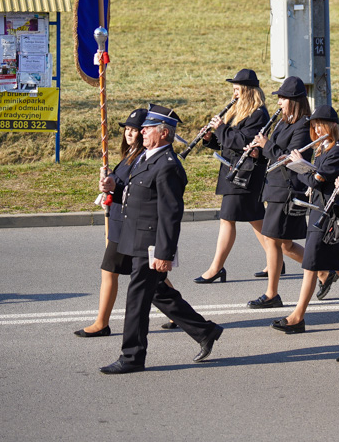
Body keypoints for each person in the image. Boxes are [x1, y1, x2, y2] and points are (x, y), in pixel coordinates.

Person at [100, 105, 223, 374]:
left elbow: (169, 215)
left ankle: (132, 357)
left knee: (136, 300)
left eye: (148, 128)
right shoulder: (146, 157)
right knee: (158, 293)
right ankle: (205, 331)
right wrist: (115, 189)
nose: (142, 131)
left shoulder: (168, 167)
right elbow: (139, 197)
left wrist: (164, 255)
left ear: (164, 133)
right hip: (133, 238)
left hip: (149, 244)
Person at [271, 106, 339, 333]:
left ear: (333, 126)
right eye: (314, 125)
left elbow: (317, 180)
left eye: (321, 124)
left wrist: (298, 165)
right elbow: (316, 177)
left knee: (310, 264)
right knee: (337, 262)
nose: (316, 129)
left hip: (330, 213)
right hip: (319, 209)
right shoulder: (323, 149)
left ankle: (298, 317)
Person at [75, 108, 148, 338]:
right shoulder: (129, 155)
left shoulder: (144, 158)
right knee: (153, 279)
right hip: (119, 222)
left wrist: (114, 186)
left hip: (129, 225)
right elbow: (118, 186)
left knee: (110, 271)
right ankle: (175, 316)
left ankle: (102, 323)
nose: (129, 133)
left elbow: (136, 190)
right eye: (127, 129)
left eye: (134, 130)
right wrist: (107, 182)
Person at [196, 69, 270, 284]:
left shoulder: (259, 114)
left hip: (245, 174)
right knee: (256, 219)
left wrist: (220, 129)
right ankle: (275, 259)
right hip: (233, 170)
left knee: (227, 219)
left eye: (237, 90)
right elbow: (226, 142)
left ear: (247, 91)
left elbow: (242, 141)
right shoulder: (238, 111)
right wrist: (210, 138)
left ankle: (216, 268)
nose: (234, 94)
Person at [247, 76, 312, 309]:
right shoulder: (284, 122)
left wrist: (267, 146)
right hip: (273, 186)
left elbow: (289, 157)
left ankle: (272, 293)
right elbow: (273, 152)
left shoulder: (304, 125)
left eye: (282, 98)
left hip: (287, 187)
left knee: (272, 240)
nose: (279, 103)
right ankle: (324, 269)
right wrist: (258, 151)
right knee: (285, 244)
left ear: (293, 100)